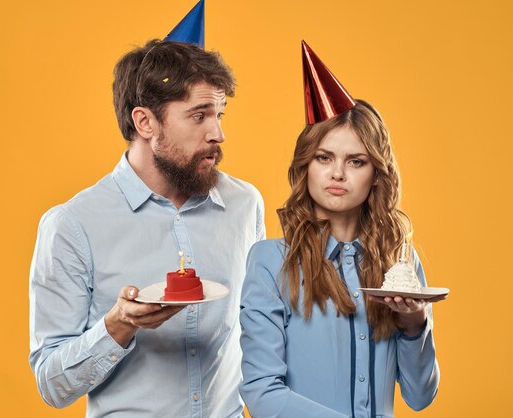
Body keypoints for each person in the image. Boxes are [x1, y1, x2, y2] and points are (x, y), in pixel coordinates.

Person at [29, 15, 265, 418]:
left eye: (220, 114)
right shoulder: (73, 225)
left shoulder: (244, 205)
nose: (218, 134)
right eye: (199, 115)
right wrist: (119, 324)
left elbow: (258, 332)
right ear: (144, 122)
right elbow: (51, 383)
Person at [239, 41, 444, 418]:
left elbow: (419, 396)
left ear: (375, 174)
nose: (337, 173)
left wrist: (416, 324)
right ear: (306, 167)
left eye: (356, 161)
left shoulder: (399, 262)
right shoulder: (271, 263)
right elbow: (261, 392)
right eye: (324, 158)